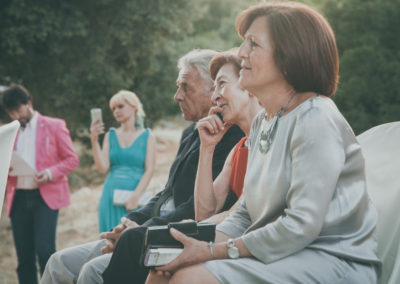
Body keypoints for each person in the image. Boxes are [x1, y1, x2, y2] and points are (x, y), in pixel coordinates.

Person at [146, 2, 381, 284]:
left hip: (333, 260)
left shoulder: (316, 118)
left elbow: (300, 226)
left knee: (192, 276)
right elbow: (244, 213)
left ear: (289, 58)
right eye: (244, 42)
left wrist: (212, 251)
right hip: (286, 253)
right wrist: (192, 248)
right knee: (164, 269)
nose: (241, 52)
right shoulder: (263, 123)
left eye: (253, 44)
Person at [41, 49, 244, 284]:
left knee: (92, 272)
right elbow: (166, 192)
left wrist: (138, 232)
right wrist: (132, 220)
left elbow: (199, 210)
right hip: (144, 228)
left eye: (186, 87)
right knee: (58, 263)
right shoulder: (190, 133)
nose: (177, 96)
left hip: (173, 236)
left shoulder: (232, 138)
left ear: (214, 91)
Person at [1, 85, 79, 284]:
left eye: (18, 110)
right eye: (11, 113)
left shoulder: (54, 125)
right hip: (18, 198)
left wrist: (50, 172)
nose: (15, 116)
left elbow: (72, 159)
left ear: (29, 103)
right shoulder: (10, 131)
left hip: (45, 197)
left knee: (45, 250)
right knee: (23, 257)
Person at [194, 51, 262, 225]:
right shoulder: (238, 150)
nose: (214, 97)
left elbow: (238, 213)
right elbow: (204, 213)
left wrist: (192, 229)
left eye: (221, 84)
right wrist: (207, 148)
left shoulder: (273, 139)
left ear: (250, 86)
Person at [90, 90, 156, 232]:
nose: (116, 111)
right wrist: (94, 141)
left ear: (134, 107)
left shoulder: (148, 136)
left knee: (132, 240)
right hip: (110, 196)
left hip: (135, 196)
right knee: (109, 241)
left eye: (120, 106)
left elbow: (149, 169)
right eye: (113, 108)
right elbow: (102, 168)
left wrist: (135, 196)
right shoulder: (110, 135)